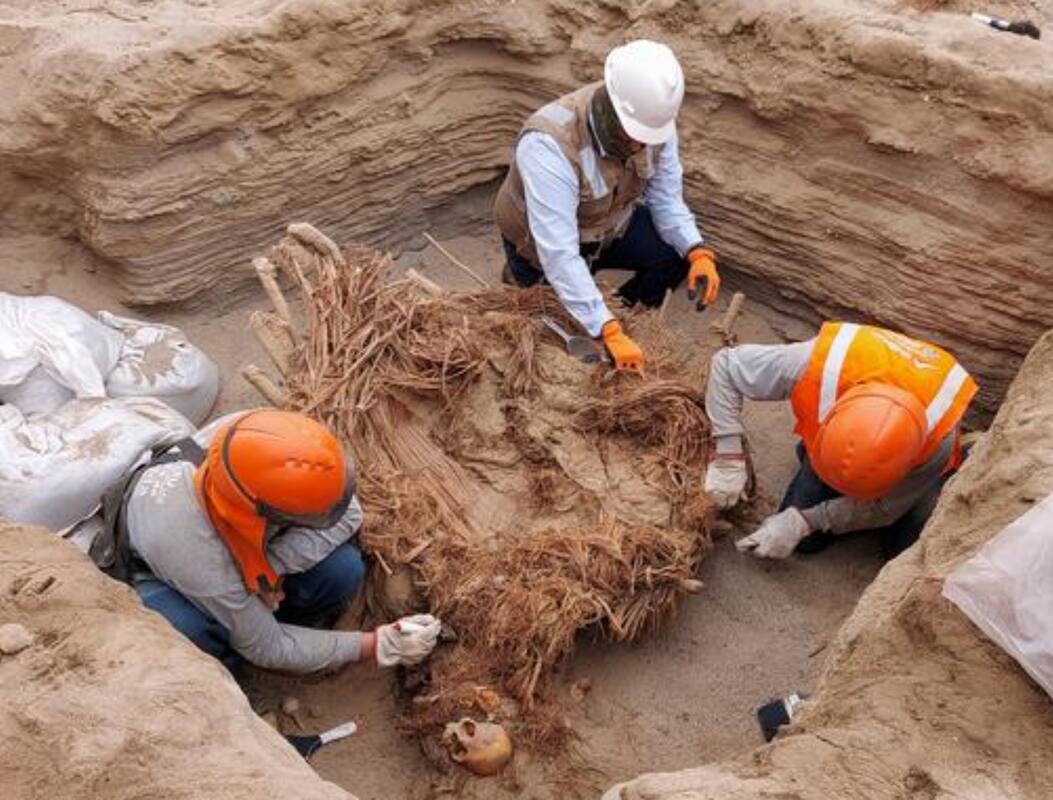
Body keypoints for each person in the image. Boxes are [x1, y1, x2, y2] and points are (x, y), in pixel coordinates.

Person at [106, 408, 441, 672]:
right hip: (162, 573)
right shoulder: (189, 550)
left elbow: (349, 513)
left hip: (229, 536)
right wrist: (376, 645)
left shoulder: (264, 438)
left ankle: (289, 627)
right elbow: (267, 648)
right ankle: (230, 671)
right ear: (261, 516)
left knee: (342, 570)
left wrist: (270, 569)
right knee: (187, 630)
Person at [494, 39, 721, 372]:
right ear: (610, 108)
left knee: (673, 256)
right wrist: (603, 326)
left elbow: (666, 199)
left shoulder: (653, 125)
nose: (641, 144)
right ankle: (525, 281)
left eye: (648, 136)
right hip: (542, 247)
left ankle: (623, 315)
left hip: (610, 226)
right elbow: (559, 252)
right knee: (561, 340)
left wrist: (696, 250)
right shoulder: (550, 144)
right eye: (633, 134)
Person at [704, 322, 977, 559]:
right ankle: (820, 464)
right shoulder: (812, 365)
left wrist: (806, 520)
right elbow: (726, 366)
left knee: (902, 550)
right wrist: (728, 454)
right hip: (853, 401)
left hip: (918, 475)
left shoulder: (936, 441)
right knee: (807, 544)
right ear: (830, 417)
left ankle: (967, 457)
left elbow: (884, 509)